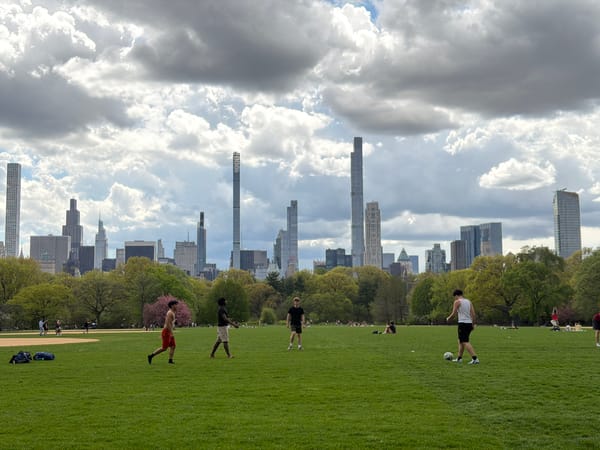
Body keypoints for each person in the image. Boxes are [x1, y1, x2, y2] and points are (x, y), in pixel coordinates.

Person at [446, 289, 479, 364]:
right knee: (460, 341)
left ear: (456, 295)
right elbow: (473, 314)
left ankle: (475, 358)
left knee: (465, 341)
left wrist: (448, 318)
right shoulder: (468, 302)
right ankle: (459, 358)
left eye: (455, 297)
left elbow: (454, 314)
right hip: (469, 323)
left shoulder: (457, 302)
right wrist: (473, 324)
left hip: (463, 323)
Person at [147, 300, 178, 364]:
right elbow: (167, 323)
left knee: (173, 346)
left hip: (168, 331)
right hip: (167, 331)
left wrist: (174, 323)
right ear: (172, 305)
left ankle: (170, 360)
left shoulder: (172, 312)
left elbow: (170, 323)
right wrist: (171, 332)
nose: (177, 306)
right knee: (164, 348)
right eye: (175, 304)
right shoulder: (170, 313)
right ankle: (151, 356)